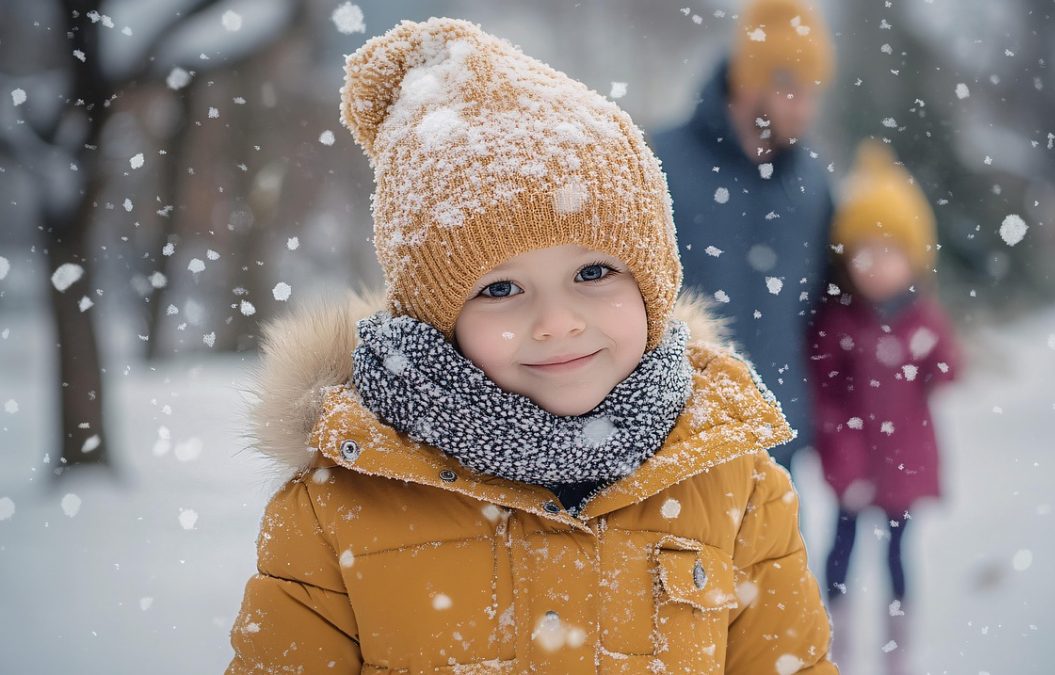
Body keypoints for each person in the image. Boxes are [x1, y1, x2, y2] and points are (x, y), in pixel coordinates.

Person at [227, 18, 835, 673]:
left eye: (594, 273)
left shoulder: (737, 488)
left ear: (653, 287)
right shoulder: (337, 504)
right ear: (436, 315)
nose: (557, 322)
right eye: (500, 288)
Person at [651, 0, 836, 470]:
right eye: (793, 91)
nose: (806, 110)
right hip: (681, 438)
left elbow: (826, 302)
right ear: (752, 82)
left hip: (778, 435)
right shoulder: (660, 161)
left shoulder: (811, 180)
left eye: (814, 94)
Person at [806, 140, 963, 673]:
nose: (876, 265)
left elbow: (949, 371)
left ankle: (897, 651)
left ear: (914, 257)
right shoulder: (840, 321)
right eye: (864, 251)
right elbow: (824, 393)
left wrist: (934, 352)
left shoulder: (923, 318)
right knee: (842, 551)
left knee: (898, 555)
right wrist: (842, 456)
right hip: (854, 460)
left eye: (890, 251)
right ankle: (838, 645)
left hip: (904, 461)